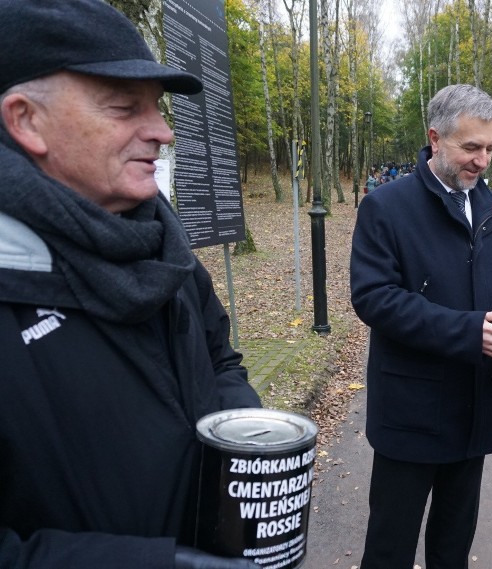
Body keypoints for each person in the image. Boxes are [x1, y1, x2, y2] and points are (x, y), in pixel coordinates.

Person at [0, 1, 262, 567]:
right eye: (125, 109)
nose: (164, 133)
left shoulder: (158, 236)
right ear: (25, 120)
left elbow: (220, 359)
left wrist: (245, 441)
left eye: (159, 110)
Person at [350, 83, 492, 568]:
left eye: (491, 147)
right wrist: (468, 331)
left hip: (477, 407)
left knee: (453, 548)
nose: (483, 160)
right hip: (412, 412)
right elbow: (374, 298)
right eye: (471, 147)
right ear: (435, 138)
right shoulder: (386, 207)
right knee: (390, 548)